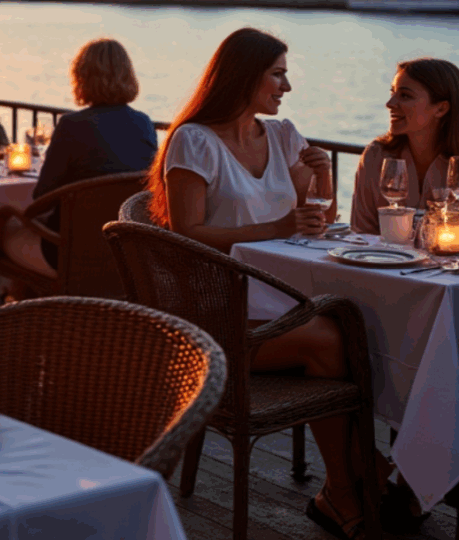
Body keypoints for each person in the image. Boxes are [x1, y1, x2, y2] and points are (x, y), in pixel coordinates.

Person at [146, 28, 404, 540]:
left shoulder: (283, 134)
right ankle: (358, 476)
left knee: (354, 329)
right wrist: (276, 229)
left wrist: (323, 181)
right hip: (218, 315)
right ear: (245, 76)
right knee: (336, 340)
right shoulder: (193, 141)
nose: (286, 86)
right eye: (278, 73)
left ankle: (348, 484)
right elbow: (185, 234)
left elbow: (314, 218)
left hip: (278, 298)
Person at [1, 38, 155, 275]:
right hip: (126, 255)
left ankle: (18, 307)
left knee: (1, 228)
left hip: (68, 254)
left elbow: (42, 196)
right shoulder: (143, 124)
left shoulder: (72, 125)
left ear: (81, 77)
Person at [350, 58, 459, 234]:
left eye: (405, 96)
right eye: (392, 93)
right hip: (382, 260)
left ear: (440, 109)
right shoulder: (376, 156)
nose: (390, 103)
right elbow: (361, 234)